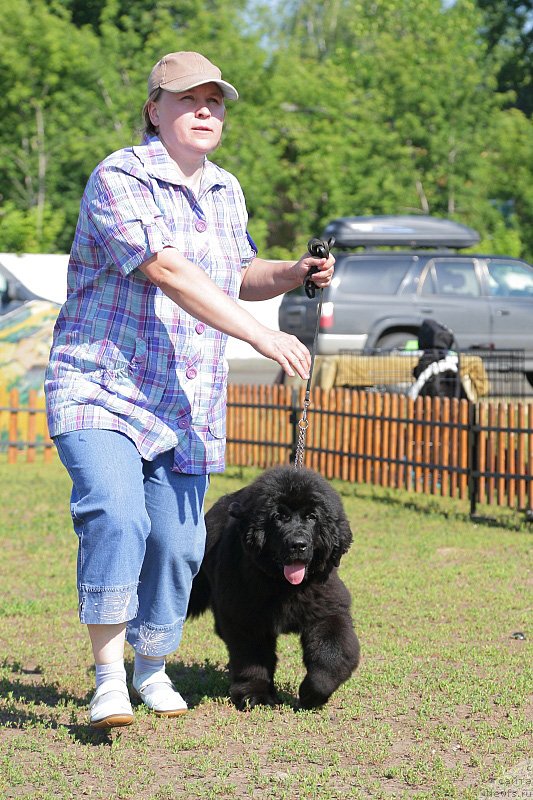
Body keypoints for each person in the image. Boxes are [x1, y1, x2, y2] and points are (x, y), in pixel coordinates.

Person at [44, 51, 334, 728]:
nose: (205, 111)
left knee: (180, 547)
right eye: (187, 100)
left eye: (215, 101)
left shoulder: (225, 190)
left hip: (185, 403)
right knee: (118, 516)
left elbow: (236, 273)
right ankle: (109, 678)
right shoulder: (121, 176)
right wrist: (258, 336)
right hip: (100, 387)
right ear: (154, 109)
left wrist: (291, 271)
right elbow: (169, 270)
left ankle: (152, 666)